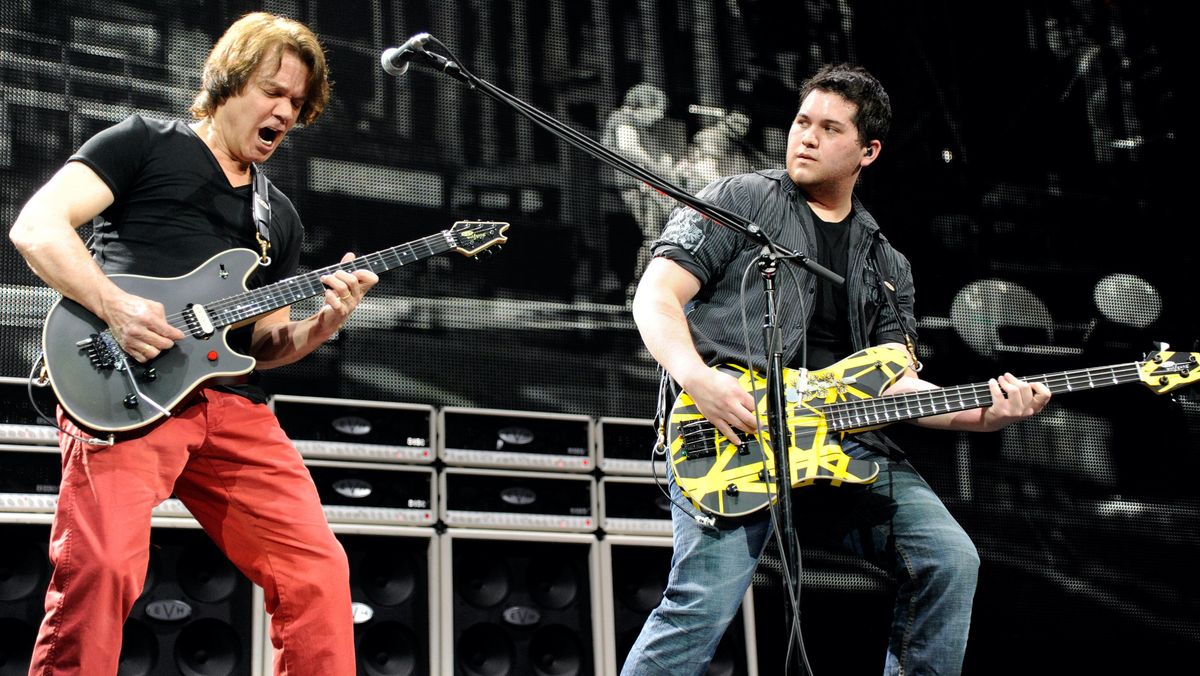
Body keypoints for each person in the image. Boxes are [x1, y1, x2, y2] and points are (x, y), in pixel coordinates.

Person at [621, 64, 1052, 675]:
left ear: (867, 151)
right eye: (802, 122)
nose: (807, 137)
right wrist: (698, 377)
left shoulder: (887, 263)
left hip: (845, 447)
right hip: (732, 435)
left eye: (829, 128)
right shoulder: (741, 201)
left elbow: (898, 384)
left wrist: (989, 416)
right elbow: (655, 297)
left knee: (949, 560)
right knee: (697, 610)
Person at [9, 12, 374, 675]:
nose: (284, 111)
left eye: (296, 101)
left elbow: (263, 344)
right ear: (226, 82)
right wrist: (116, 308)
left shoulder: (278, 217)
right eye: (273, 90)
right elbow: (38, 227)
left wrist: (320, 327)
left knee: (317, 572)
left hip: (234, 410)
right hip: (122, 387)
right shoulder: (145, 142)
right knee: (103, 572)